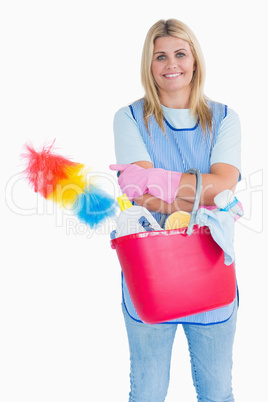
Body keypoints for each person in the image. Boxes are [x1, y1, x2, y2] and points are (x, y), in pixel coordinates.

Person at [110, 19, 241, 401]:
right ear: (149, 66)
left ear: (195, 60)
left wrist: (159, 186)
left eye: (180, 54)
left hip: (212, 270)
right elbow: (141, 196)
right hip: (150, 278)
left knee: (217, 393)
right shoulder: (129, 118)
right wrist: (205, 190)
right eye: (160, 56)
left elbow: (225, 184)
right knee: (148, 392)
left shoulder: (225, 119)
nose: (172, 64)